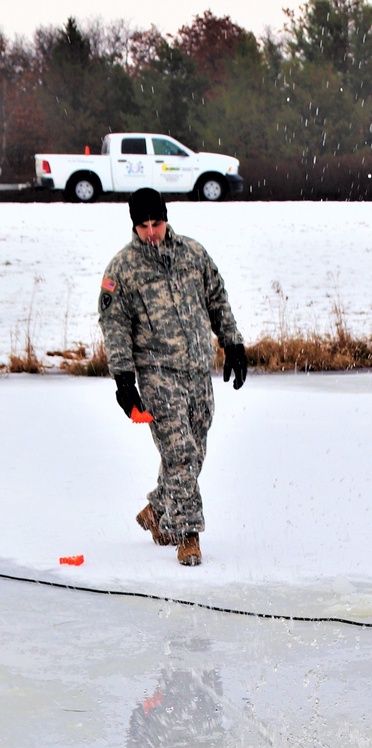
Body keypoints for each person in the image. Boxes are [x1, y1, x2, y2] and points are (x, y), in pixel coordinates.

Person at [98, 187, 247, 567]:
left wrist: (232, 343)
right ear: (134, 225)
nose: (151, 231)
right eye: (144, 225)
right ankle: (187, 533)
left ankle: (157, 509)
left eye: (157, 223)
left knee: (193, 449)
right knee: (179, 452)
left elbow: (217, 298)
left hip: (198, 368)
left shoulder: (193, 254)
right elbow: (115, 326)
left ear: (166, 219)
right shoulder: (123, 269)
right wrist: (124, 380)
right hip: (156, 372)